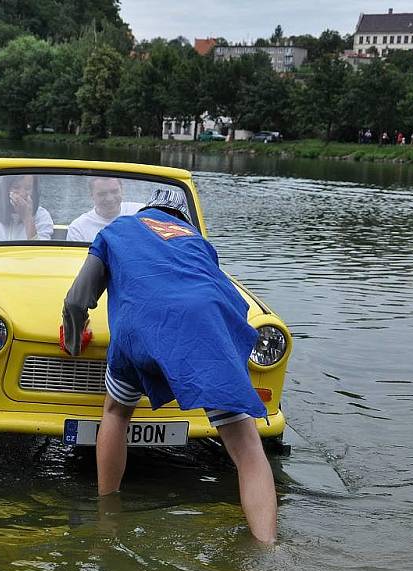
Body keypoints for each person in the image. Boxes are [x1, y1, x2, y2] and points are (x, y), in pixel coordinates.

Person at [61, 189, 277, 543]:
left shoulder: (115, 232)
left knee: (116, 412)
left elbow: (76, 300)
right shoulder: (196, 240)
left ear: (145, 213)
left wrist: (73, 340)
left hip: (141, 330)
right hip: (209, 329)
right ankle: (268, 547)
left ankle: (108, 515)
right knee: (248, 447)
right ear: (179, 220)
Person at [0, 174, 53, 242]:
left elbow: (40, 254)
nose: (22, 194)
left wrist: (27, 218)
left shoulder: (42, 216)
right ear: (6, 189)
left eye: (28, 188)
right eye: (16, 187)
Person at [66, 177, 144, 242]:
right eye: (102, 194)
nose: (109, 198)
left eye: (114, 191)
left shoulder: (141, 212)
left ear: (122, 190)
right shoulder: (78, 228)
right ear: (92, 196)